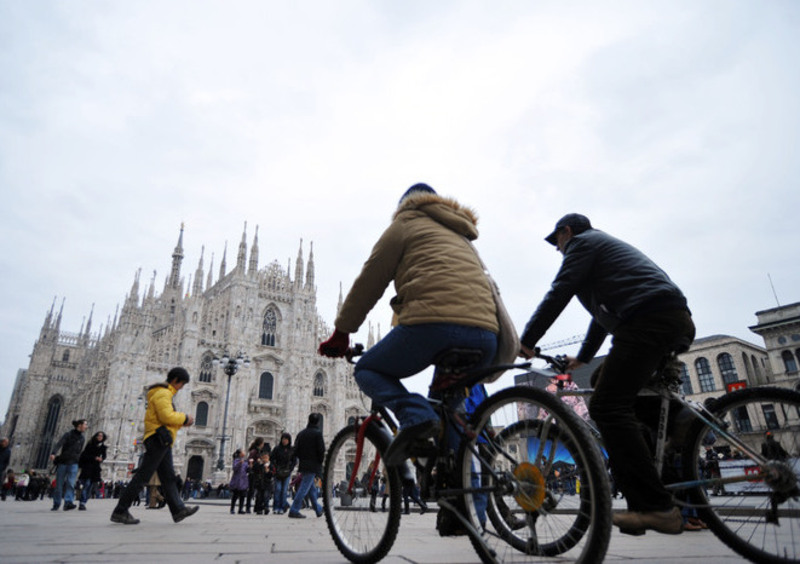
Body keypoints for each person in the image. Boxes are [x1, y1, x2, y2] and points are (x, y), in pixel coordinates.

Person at [519, 213, 695, 536]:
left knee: (605, 407)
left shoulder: (582, 245)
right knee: (605, 383)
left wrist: (526, 340)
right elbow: (601, 318)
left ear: (566, 232)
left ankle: (656, 507)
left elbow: (559, 292)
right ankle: (678, 420)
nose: (558, 250)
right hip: (671, 317)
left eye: (557, 242)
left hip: (646, 321)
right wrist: (583, 358)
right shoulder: (604, 253)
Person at [318, 184, 498, 465]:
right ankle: (459, 501)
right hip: (486, 337)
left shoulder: (405, 223)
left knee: (367, 368)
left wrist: (342, 332)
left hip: (435, 326)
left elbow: (370, 281)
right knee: (448, 411)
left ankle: (415, 414)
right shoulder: (461, 235)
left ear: (405, 205)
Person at [110, 367, 199, 525]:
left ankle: (178, 510)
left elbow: (165, 418)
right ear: (175, 380)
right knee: (143, 475)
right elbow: (166, 416)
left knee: (168, 477)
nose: (182, 388)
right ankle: (120, 510)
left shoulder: (163, 393)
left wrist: (180, 423)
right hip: (158, 438)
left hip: (162, 438)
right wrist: (184, 418)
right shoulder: (163, 393)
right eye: (182, 384)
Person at [287, 413, 325, 519]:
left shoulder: (301, 433)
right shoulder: (317, 434)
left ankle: (318, 509)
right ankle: (294, 510)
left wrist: (301, 459)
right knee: (304, 487)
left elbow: (296, 449)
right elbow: (321, 450)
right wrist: (320, 462)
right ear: (317, 422)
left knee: (311, 488)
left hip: (303, 464)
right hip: (313, 465)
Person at [49, 419, 88, 511]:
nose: (86, 427)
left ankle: (68, 502)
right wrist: (53, 453)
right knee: (59, 485)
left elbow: (80, 451)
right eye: (85, 425)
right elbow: (59, 444)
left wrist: (80, 462)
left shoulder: (82, 438)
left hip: (74, 463)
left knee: (71, 483)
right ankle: (57, 503)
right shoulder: (68, 434)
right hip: (63, 462)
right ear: (79, 425)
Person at [77, 431, 107, 510]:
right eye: (99, 435)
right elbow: (84, 455)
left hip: (95, 469)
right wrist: (94, 458)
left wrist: (101, 459)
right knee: (86, 484)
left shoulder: (103, 447)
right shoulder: (90, 444)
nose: (100, 437)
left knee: (89, 487)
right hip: (87, 467)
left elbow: (104, 456)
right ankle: (82, 502)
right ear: (96, 436)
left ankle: (83, 502)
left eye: (102, 436)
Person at [271, 432, 294, 515]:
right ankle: (276, 507)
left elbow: (295, 460)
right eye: (283, 439)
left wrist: (291, 468)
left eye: (286, 439)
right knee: (278, 489)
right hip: (278, 472)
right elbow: (272, 458)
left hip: (287, 472)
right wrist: (275, 467)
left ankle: (282, 507)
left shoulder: (292, 449)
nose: (284, 441)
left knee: (284, 491)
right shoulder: (277, 448)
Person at [245, 438, 265, 513]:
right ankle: (248, 507)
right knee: (252, 490)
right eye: (263, 443)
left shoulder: (258, 451)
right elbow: (250, 461)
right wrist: (259, 462)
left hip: (257, 473)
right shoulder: (254, 452)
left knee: (256, 490)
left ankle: (256, 507)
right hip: (254, 473)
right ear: (260, 444)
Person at [229, 449, 249, 514]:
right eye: (243, 451)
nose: (244, 452)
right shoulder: (236, 461)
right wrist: (239, 464)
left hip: (243, 480)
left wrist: (250, 466)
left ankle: (241, 509)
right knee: (235, 495)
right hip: (237, 481)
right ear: (240, 454)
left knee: (242, 496)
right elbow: (234, 468)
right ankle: (232, 508)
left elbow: (247, 470)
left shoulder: (245, 461)